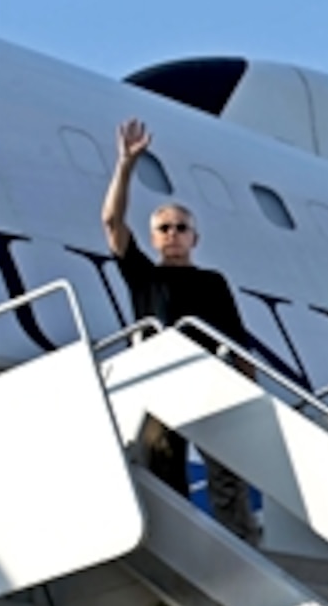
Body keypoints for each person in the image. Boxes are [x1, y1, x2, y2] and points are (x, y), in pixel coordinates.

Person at [102, 117, 258, 544]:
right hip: (161, 382)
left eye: (181, 228)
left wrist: (247, 382)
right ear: (153, 238)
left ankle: (241, 548)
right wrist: (125, 165)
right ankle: (172, 546)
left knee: (227, 471)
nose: (172, 234)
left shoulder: (212, 282)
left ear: (195, 237)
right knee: (161, 464)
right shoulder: (144, 277)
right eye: (164, 228)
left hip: (207, 380)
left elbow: (235, 337)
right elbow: (112, 223)